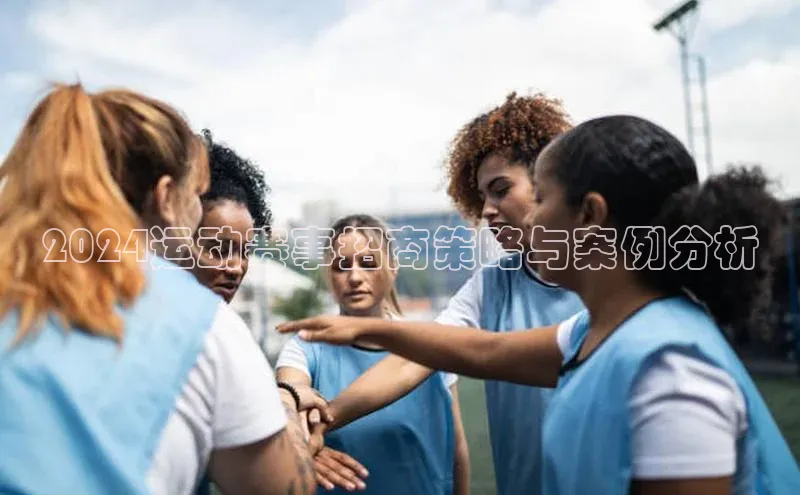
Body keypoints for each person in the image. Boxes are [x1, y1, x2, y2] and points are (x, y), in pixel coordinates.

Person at [278, 115, 800, 494]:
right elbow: (484, 351)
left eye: (541, 198)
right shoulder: (591, 333)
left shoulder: (670, 369)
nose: (519, 219)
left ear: (591, 215)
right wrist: (354, 348)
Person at [0, 83, 321, 495]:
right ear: (167, 197)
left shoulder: (17, 286)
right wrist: (284, 403)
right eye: (196, 196)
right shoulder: (199, 323)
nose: (234, 266)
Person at [292, 92, 585, 495]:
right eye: (482, 196)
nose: (486, 210)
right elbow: (413, 360)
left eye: (500, 189)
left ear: (547, 182)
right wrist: (322, 423)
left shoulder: (617, 284)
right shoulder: (491, 283)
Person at [189, 129, 366, 494]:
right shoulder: (213, 334)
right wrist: (288, 403)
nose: (236, 266)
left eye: (245, 251)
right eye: (217, 248)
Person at [276, 214, 470, 495]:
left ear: (392, 268)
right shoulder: (304, 347)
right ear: (328, 276)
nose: (355, 277)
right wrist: (301, 445)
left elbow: (457, 446)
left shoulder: (430, 343)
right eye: (342, 266)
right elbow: (290, 397)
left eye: (368, 263)